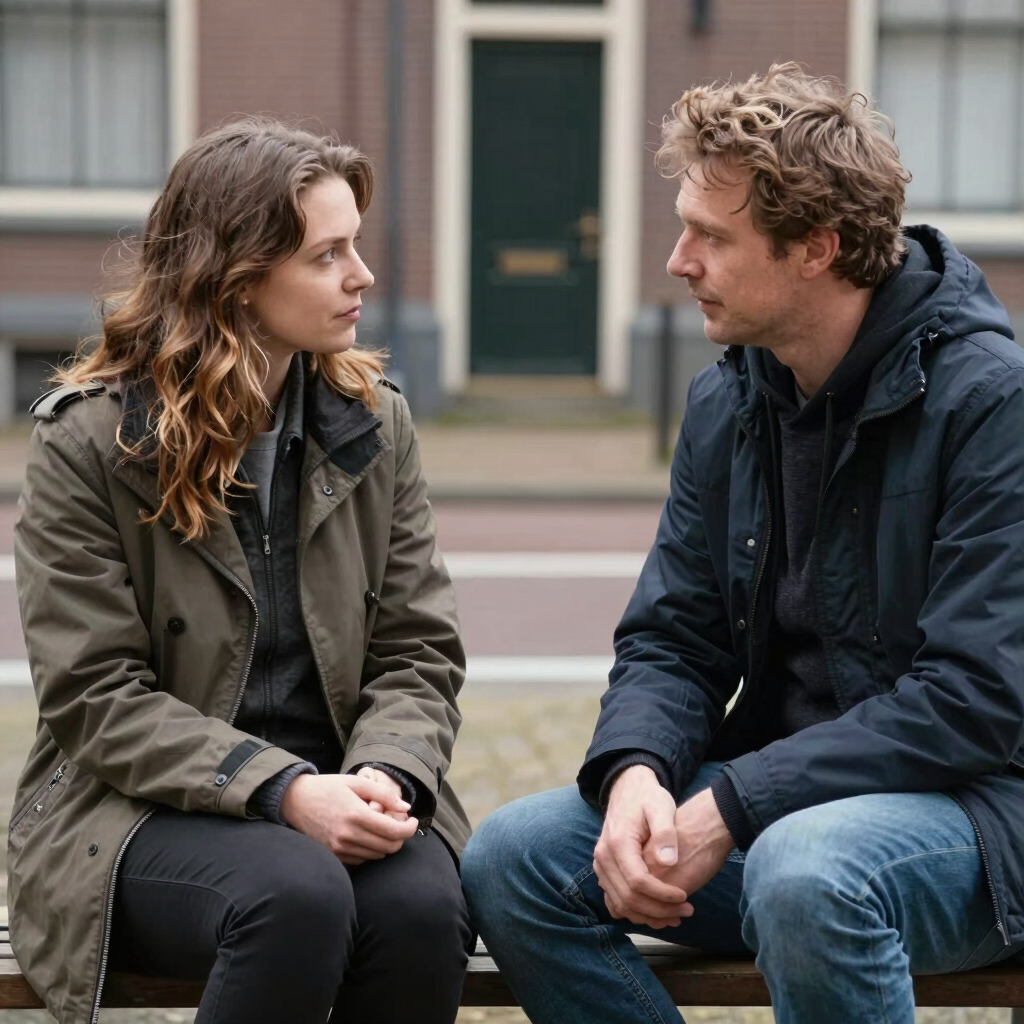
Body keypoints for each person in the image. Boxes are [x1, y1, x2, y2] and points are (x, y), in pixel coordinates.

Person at [462, 63, 1024, 1024]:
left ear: (818, 247)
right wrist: (637, 769)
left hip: (976, 822)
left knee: (812, 879)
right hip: (781, 809)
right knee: (516, 858)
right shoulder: (730, 398)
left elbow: (979, 698)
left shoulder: (990, 402)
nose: (679, 261)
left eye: (710, 238)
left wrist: (732, 800)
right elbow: (673, 637)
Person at [8, 117, 472, 1024]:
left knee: (422, 906)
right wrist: (285, 790)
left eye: (357, 247)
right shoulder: (89, 443)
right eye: (328, 254)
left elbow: (419, 649)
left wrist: (387, 771)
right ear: (238, 278)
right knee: (293, 894)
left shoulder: (375, 425)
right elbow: (94, 696)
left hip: (343, 783)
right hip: (136, 812)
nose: (362, 277)